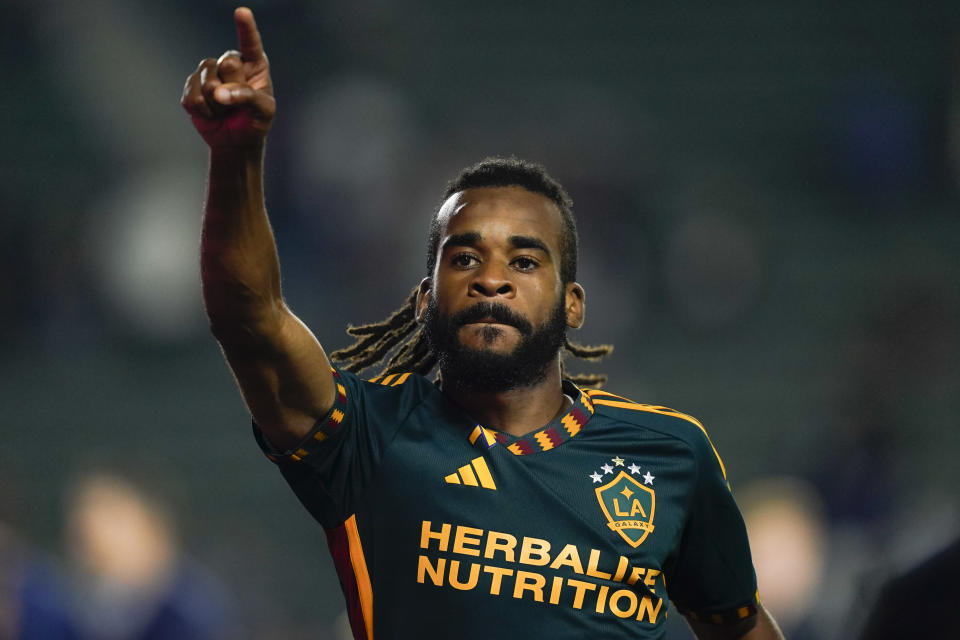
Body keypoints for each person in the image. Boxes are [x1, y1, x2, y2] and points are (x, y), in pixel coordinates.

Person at [181, 8, 785, 639]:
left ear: (574, 303)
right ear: (424, 300)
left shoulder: (671, 457)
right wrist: (237, 156)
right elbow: (251, 319)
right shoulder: (367, 437)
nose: (491, 277)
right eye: (464, 257)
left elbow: (741, 628)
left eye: (524, 260)